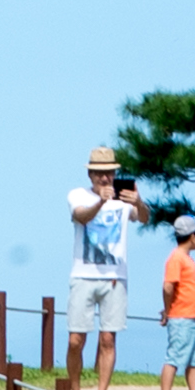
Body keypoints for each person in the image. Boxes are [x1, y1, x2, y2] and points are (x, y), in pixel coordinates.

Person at [63, 150, 137, 376]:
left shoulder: (122, 199)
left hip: (115, 276)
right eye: (99, 173)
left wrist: (139, 201)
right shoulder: (78, 195)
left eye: (109, 173)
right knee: (76, 340)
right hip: (83, 275)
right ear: (90, 175)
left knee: (108, 339)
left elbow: (143, 217)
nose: (105, 178)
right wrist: (101, 202)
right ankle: (75, 389)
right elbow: (81, 217)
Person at [157, 215, 195, 390]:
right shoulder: (176, 258)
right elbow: (168, 286)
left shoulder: (187, 259)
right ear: (193, 236)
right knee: (174, 357)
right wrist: (167, 310)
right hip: (182, 316)